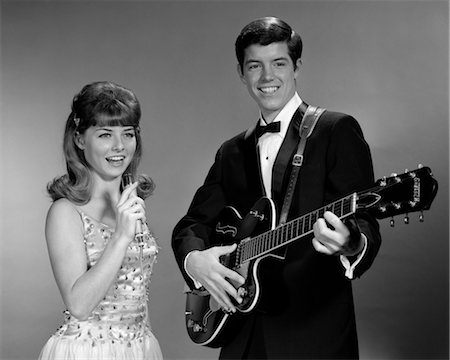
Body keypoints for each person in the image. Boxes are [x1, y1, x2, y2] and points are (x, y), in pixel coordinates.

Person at [172, 17, 381, 359]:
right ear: (241, 73)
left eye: (279, 63)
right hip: (241, 333)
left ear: (296, 66)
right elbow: (191, 226)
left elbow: (366, 224)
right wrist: (195, 261)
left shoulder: (336, 130)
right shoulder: (230, 152)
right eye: (255, 66)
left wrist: (351, 242)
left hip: (314, 335)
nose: (267, 77)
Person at [39, 81, 163, 359]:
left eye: (128, 134)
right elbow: (79, 305)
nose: (119, 146)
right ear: (80, 139)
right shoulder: (66, 211)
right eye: (105, 134)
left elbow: (137, 294)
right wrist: (120, 236)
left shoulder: (132, 203)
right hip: (88, 350)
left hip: (140, 347)